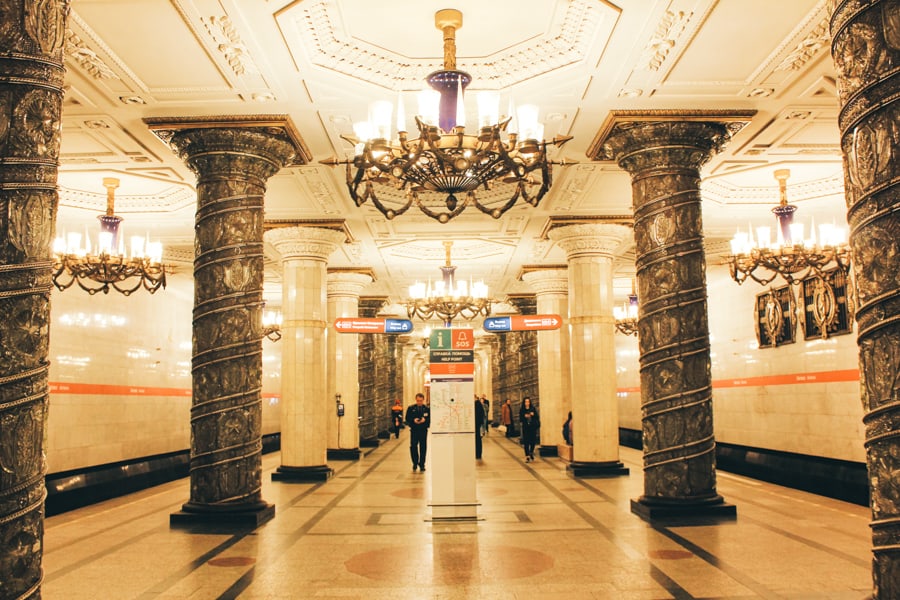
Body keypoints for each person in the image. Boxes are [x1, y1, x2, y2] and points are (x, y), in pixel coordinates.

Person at [405, 393, 430, 471]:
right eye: (418, 401)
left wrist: (424, 420)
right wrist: (413, 420)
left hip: (423, 430)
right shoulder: (411, 408)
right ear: (416, 400)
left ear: (423, 400)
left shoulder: (427, 409)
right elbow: (407, 419)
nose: (419, 402)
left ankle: (422, 464)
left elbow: (430, 419)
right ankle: (415, 462)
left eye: (421, 401)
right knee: (413, 446)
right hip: (414, 430)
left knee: (423, 447)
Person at [519, 397, 539, 462]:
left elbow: (537, 417)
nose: (527, 403)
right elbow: (520, 419)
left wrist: (533, 415)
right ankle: (527, 455)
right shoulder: (522, 410)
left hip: (532, 427)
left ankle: (531, 452)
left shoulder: (533, 409)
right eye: (526, 402)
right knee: (526, 441)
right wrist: (524, 417)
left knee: (533, 441)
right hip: (526, 428)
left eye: (528, 402)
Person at [474, 395, 485, 460]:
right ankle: (478, 454)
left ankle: (478, 454)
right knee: (478, 440)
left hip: (477, 425)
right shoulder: (478, 404)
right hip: (478, 425)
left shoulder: (477, 404)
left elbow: (478, 415)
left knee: (477, 440)